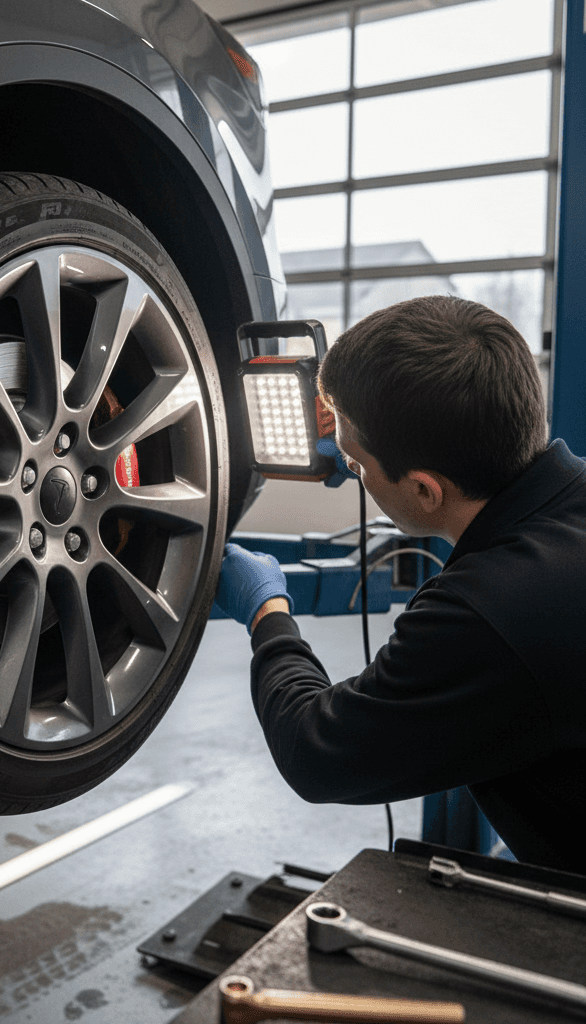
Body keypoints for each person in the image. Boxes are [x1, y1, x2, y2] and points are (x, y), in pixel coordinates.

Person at [215, 295, 586, 873]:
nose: (351, 474)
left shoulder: (485, 613)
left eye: (357, 467)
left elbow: (315, 752)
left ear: (424, 490)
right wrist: (368, 453)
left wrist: (267, 609)